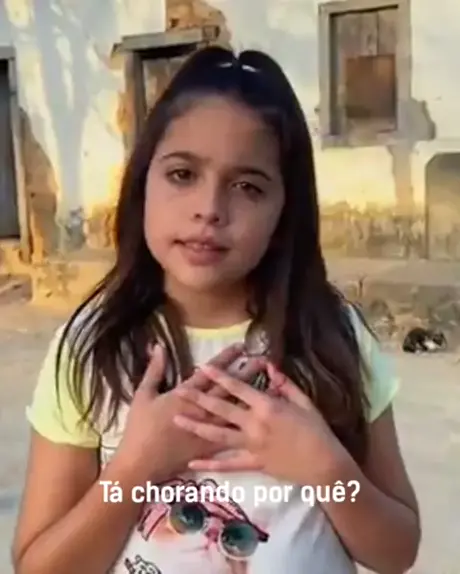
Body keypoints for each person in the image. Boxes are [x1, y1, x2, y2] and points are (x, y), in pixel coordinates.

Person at [11, 45, 420, 574]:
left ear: (284, 211)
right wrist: (134, 470)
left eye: (247, 186)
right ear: (142, 183)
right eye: (182, 174)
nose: (209, 209)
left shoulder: (331, 336)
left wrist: (326, 470)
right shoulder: (92, 348)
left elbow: (396, 551)